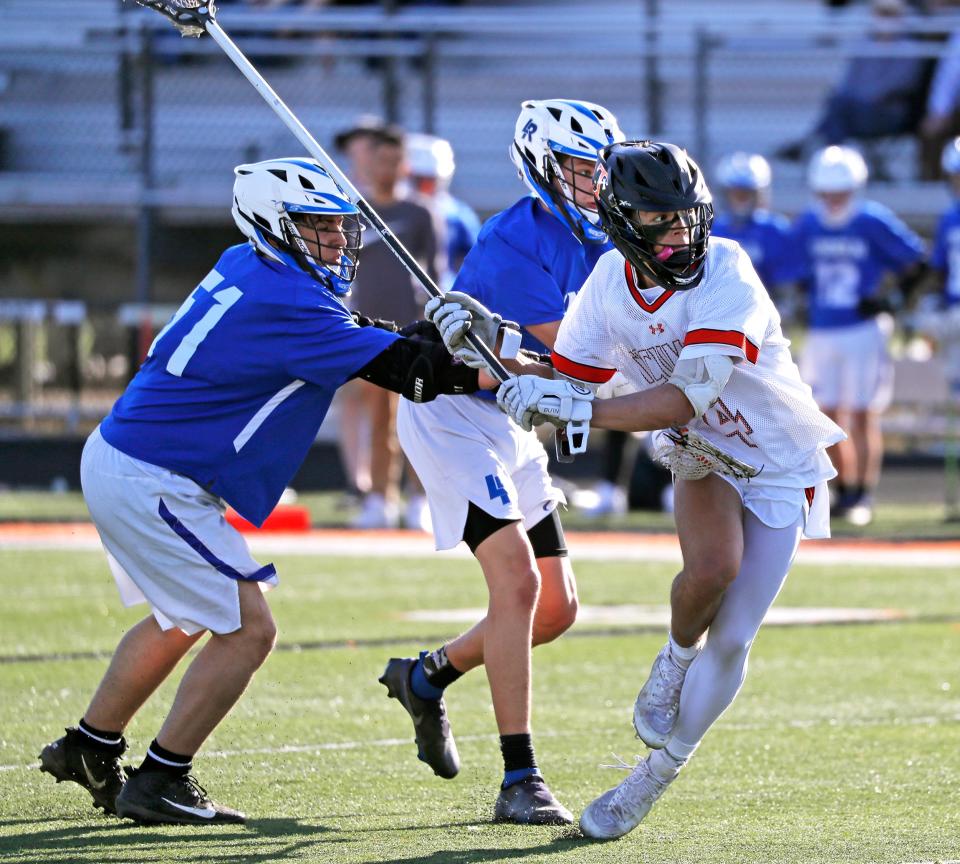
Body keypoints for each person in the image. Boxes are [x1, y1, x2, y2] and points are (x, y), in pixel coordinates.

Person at [37, 156, 500, 825]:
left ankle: (90, 744)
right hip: (153, 474)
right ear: (272, 223)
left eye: (339, 227)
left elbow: (366, 338)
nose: (339, 241)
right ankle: (162, 778)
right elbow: (411, 373)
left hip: (133, 459)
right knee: (249, 631)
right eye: (318, 226)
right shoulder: (286, 298)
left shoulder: (254, 266)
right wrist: (480, 363)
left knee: (183, 618)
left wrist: (432, 332)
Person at [473, 139, 847, 840]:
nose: (681, 235)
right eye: (661, 221)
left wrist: (571, 406)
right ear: (621, 221)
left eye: (687, 218)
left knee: (733, 637)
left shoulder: (726, 268)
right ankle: (674, 659)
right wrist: (494, 354)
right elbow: (571, 377)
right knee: (709, 573)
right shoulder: (608, 283)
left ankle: (656, 773)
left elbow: (680, 398)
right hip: (703, 450)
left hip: (773, 458)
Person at [381, 98, 625, 825]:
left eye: (600, 166)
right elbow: (569, 357)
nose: (595, 180)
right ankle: (521, 777)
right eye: (580, 166)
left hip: (513, 421)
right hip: (455, 414)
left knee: (556, 609)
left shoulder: (605, 234)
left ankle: (426, 677)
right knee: (515, 584)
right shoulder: (514, 238)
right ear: (543, 166)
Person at [790, 145, 926, 525]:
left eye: (841, 192)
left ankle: (863, 493)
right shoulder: (808, 224)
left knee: (864, 413)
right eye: (827, 192)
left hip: (863, 329)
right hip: (823, 328)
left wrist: (890, 299)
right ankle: (841, 490)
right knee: (827, 414)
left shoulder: (870, 220)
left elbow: (916, 260)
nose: (833, 200)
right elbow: (794, 271)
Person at [339, 124, 445, 530]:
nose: (384, 168)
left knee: (417, 417)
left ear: (404, 165)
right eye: (378, 160)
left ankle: (420, 498)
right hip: (370, 328)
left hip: (412, 327)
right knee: (378, 417)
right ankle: (380, 498)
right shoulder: (356, 212)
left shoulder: (420, 213)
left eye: (392, 160)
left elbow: (435, 272)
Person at [776, 0, 934, 167]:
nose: (885, 19)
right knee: (838, 105)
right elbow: (848, 82)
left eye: (890, 13)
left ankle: (820, 153)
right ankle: (830, 157)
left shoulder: (909, 48)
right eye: (881, 13)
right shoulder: (864, 44)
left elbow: (900, 84)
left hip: (886, 113)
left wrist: (859, 98)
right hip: (856, 110)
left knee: (839, 109)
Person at [711, 152, 795, 321]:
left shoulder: (774, 229)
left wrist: (781, 310)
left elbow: (785, 284)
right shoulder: (714, 229)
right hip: (721, 313)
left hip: (765, 314)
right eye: (737, 194)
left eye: (746, 194)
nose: (741, 200)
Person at [405, 132, 482, 289]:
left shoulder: (458, 214)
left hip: (446, 290)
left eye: (430, 181)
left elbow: (474, 260)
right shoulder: (395, 211)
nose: (425, 188)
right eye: (420, 180)